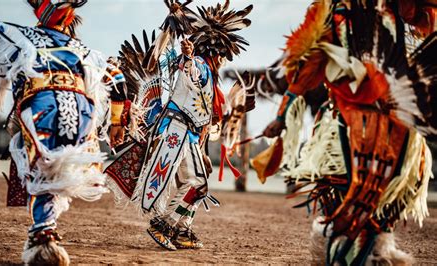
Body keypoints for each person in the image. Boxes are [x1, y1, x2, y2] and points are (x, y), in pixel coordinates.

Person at [262, 0, 436, 264]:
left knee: (388, 198)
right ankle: (350, 250)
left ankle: (377, 251)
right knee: (346, 196)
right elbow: (309, 62)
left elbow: (422, 22)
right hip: (347, 123)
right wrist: (282, 114)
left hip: (399, 123)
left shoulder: (399, 10)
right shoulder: (334, 12)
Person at [0, 1, 128, 264]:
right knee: (55, 170)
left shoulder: (22, 36)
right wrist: (117, 123)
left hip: (40, 105)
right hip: (82, 114)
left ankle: (44, 236)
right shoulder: (83, 50)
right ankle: (44, 234)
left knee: (37, 164)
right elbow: (117, 77)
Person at [120, 1, 253, 251]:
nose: (224, 60)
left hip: (187, 134)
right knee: (197, 183)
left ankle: (182, 230)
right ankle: (164, 224)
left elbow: (203, 113)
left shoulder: (209, 74)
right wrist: (190, 56)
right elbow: (190, 73)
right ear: (216, 52)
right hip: (176, 131)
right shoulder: (201, 64)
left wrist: (202, 147)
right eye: (223, 55)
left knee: (198, 184)